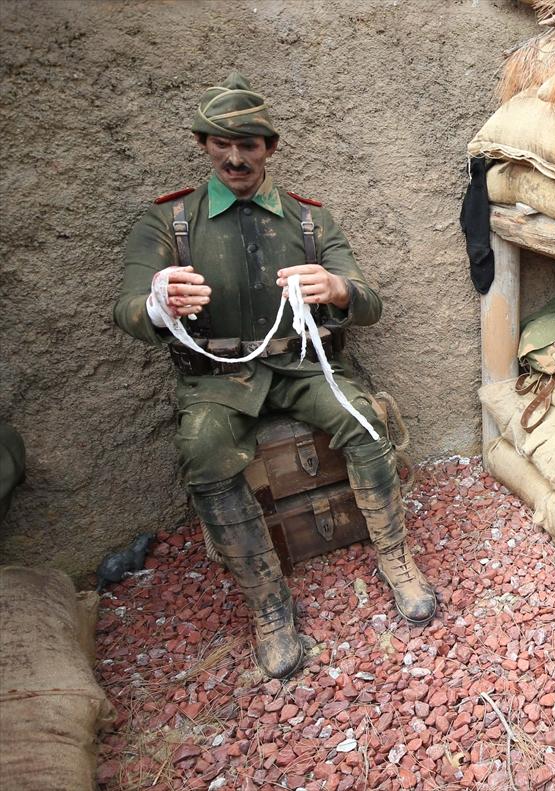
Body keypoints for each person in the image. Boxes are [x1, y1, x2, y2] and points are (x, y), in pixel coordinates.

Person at [113, 72, 434, 679]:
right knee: (203, 452)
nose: (235, 158)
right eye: (221, 144)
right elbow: (125, 308)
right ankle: (268, 601)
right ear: (203, 144)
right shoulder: (169, 222)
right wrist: (156, 304)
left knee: (366, 423)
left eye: (249, 145)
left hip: (300, 365)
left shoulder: (309, 220)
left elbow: (369, 301)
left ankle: (395, 557)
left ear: (270, 147)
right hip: (216, 378)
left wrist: (337, 289)